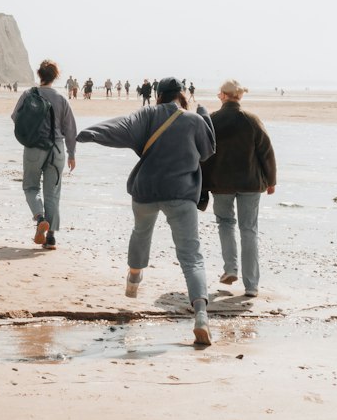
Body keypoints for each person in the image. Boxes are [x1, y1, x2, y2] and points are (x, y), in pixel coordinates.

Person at [75, 75, 216, 346]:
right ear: (180, 95)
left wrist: (87, 133)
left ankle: (135, 277)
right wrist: (204, 115)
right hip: (182, 194)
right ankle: (200, 316)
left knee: (141, 232)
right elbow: (208, 151)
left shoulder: (148, 114)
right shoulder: (193, 120)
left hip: (146, 190)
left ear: (159, 95)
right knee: (191, 256)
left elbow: (120, 127)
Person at [201, 79, 277, 298]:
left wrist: (202, 185)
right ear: (239, 96)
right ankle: (252, 286)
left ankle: (230, 268)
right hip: (251, 183)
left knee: (225, 223)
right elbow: (266, 151)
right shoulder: (251, 119)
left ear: (223, 95)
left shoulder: (213, 120)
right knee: (249, 230)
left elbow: (204, 154)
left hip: (221, 184)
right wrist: (271, 180)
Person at [12, 60, 77, 251]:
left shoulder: (28, 94)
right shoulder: (62, 98)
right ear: (55, 76)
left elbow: (15, 117)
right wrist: (72, 154)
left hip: (34, 147)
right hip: (56, 150)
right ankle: (51, 238)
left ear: (39, 74)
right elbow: (70, 129)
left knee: (31, 186)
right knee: (53, 193)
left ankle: (40, 218)